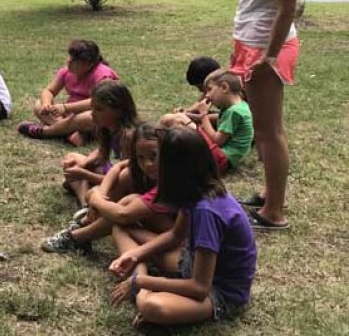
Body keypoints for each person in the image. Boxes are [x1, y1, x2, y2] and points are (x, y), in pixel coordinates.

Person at [109, 128, 257, 328]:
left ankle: (142, 292)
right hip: (191, 263)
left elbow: (200, 287)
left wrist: (144, 283)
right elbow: (175, 235)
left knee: (152, 307)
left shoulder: (207, 210)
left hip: (219, 291)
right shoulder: (195, 190)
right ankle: (139, 280)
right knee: (122, 228)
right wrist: (136, 254)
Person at [230, 0, 304, 230]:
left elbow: (287, 7)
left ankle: (274, 212)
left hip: (268, 48)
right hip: (249, 42)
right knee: (262, 129)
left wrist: (270, 57)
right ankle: (270, 194)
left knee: (271, 131)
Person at [42, 123, 175, 255]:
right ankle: (84, 224)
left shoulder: (172, 178)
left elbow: (124, 214)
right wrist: (101, 194)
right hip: (164, 225)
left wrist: (96, 200)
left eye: (153, 156)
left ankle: (77, 237)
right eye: (141, 157)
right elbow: (118, 167)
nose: (147, 163)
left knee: (127, 207)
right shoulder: (146, 163)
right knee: (126, 176)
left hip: (177, 238)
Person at [18, 40, 119, 145]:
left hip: (97, 116)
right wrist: (46, 104)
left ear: (89, 64)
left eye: (75, 59)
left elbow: (99, 102)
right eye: (70, 57)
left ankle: (46, 132)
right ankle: (68, 132)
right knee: (38, 105)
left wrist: (66, 108)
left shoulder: (103, 74)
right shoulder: (66, 72)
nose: (69, 61)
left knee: (89, 117)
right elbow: (49, 90)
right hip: (71, 117)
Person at [61, 80, 138, 208]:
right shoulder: (107, 128)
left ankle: (87, 199)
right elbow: (101, 151)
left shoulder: (129, 137)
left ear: (118, 110)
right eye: (92, 108)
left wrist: (84, 174)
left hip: (120, 187)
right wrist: (84, 164)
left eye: (99, 109)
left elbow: (121, 181)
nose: (92, 113)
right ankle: (85, 203)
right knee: (72, 158)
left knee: (88, 185)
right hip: (106, 173)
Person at [162, 70, 254, 174]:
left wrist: (202, 114)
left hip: (220, 160)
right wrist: (187, 114)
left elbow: (217, 140)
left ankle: (160, 149)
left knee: (174, 119)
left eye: (210, 90)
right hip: (220, 158)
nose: (207, 96)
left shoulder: (235, 112)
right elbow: (211, 118)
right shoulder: (238, 106)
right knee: (176, 118)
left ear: (224, 87)